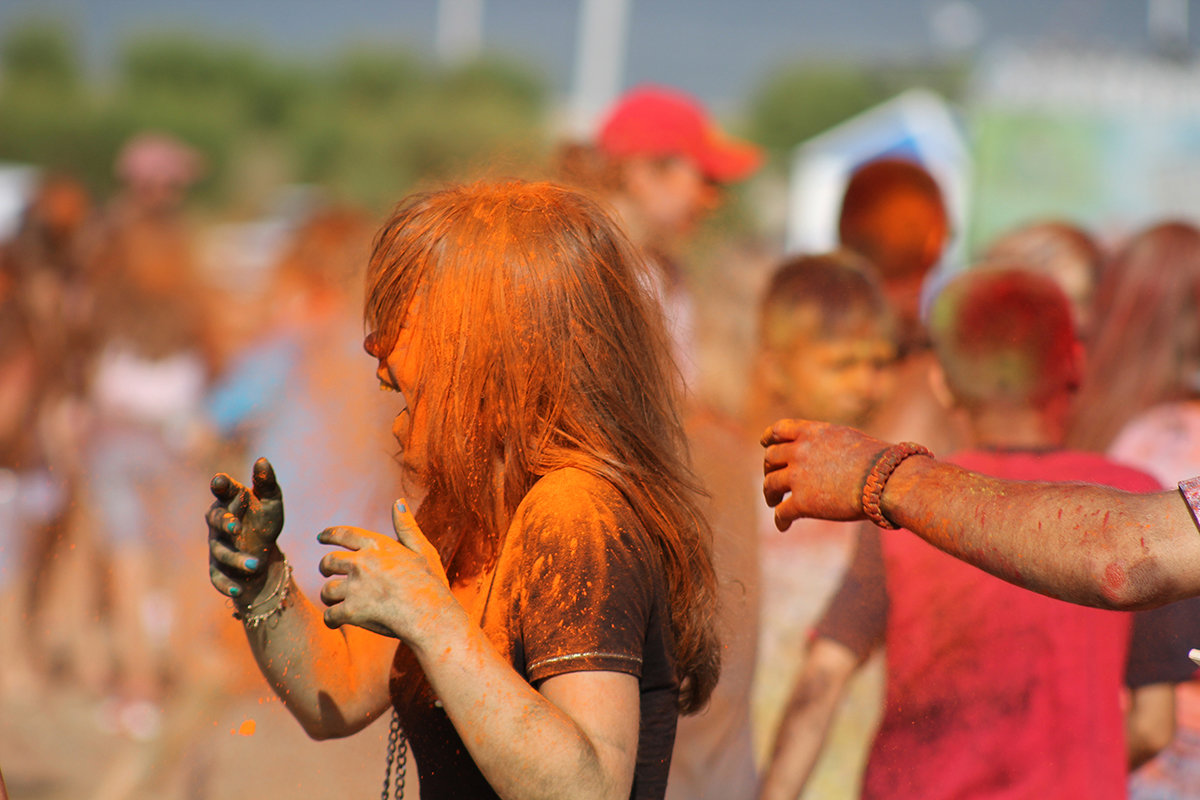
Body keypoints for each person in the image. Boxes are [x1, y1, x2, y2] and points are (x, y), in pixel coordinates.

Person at [205, 180, 720, 800]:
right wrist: (262, 580)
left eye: (408, 316)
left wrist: (430, 621)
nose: (376, 347)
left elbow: (589, 788)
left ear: (495, 345)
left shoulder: (575, 514)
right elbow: (334, 696)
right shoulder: (465, 509)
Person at [759, 266, 1189, 800]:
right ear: (1075, 366)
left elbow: (823, 679)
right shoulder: (1136, 504)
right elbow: (1153, 725)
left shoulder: (902, 503)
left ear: (941, 381)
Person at [557, 84, 765, 800]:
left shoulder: (667, 274)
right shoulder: (595, 268)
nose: (711, 200)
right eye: (700, 179)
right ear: (642, 173)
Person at [747, 250, 896, 797]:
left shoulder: (892, 490)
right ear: (775, 367)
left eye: (880, 363)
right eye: (841, 364)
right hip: (740, 751)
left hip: (850, 751)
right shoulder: (739, 484)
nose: (866, 383)